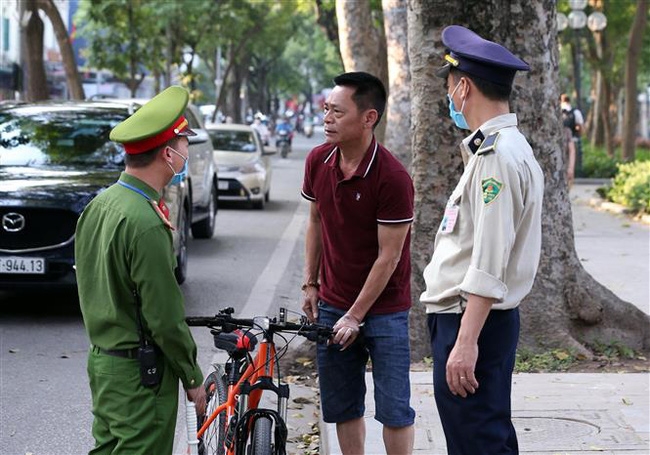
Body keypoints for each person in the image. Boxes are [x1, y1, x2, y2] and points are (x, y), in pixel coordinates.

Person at [420, 26, 544, 455]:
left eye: (450, 87)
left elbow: (490, 259)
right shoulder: (507, 148)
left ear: (463, 87)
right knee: (485, 436)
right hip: (477, 320)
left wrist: (465, 342)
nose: (450, 98)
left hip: (470, 321)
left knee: (476, 441)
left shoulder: (495, 157)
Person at [75, 86, 207, 455]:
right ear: (167, 154)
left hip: (104, 365)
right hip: (140, 376)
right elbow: (164, 318)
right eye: (183, 145)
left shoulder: (100, 205)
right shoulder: (145, 223)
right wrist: (192, 377)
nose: (186, 154)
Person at [301, 71, 415, 455]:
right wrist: (310, 283)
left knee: (395, 411)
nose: (327, 119)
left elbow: (390, 256)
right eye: (326, 110)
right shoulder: (318, 160)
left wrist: (355, 315)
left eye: (337, 112)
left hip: (385, 309)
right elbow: (315, 220)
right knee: (344, 406)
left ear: (369, 118)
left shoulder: (393, 178)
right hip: (332, 302)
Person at [561, 94, 584, 179]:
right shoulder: (575, 112)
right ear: (569, 101)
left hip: (559, 142)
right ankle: (570, 176)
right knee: (571, 162)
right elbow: (581, 127)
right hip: (572, 140)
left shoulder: (557, 110)